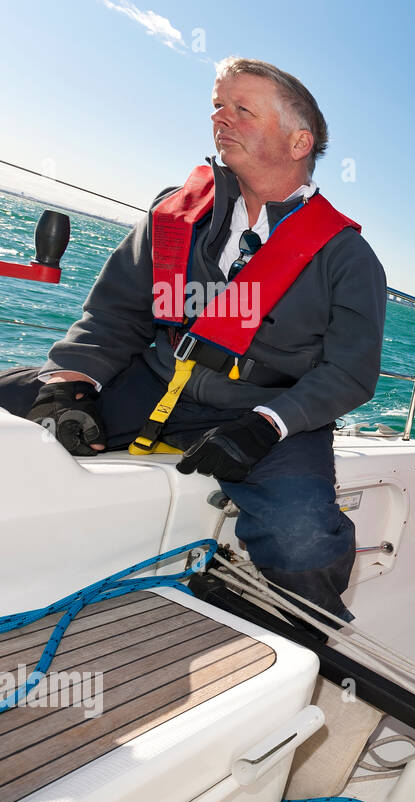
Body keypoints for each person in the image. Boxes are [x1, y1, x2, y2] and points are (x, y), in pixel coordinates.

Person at [0, 57, 386, 622]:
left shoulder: (348, 258)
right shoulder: (175, 215)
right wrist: (72, 380)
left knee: (304, 544)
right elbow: (117, 314)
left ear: (299, 140)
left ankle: (305, 650)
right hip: (152, 382)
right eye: (218, 106)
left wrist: (267, 425)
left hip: (266, 418)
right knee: (12, 404)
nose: (220, 120)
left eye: (242, 110)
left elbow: (350, 373)